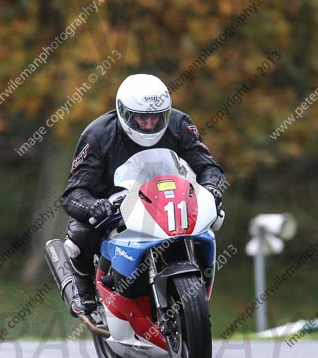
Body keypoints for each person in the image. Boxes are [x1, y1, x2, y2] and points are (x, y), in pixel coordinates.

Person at [60, 73, 226, 317]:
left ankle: (194, 284)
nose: (150, 124)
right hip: (115, 205)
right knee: (80, 234)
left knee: (216, 218)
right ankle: (84, 292)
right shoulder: (97, 135)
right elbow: (73, 191)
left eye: (157, 117)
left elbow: (208, 167)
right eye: (142, 118)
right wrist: (93, 205)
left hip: (172, 200)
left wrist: (211, 188)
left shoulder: (180, 125)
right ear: (123, 113)